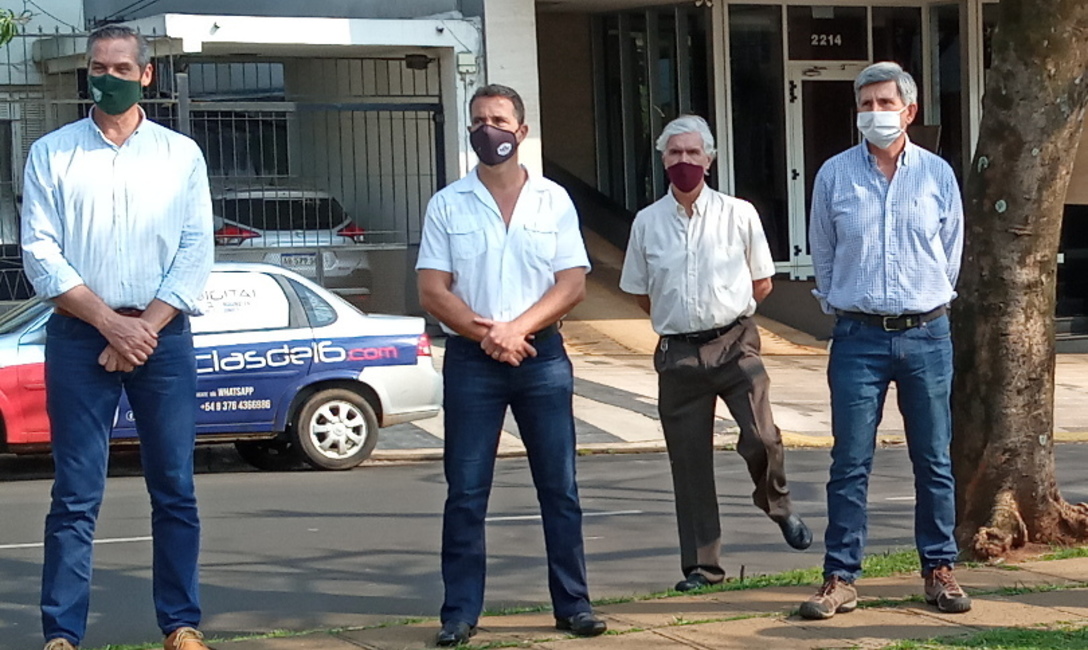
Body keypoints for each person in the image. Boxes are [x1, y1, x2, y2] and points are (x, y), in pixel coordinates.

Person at [21, 25, 214, 650]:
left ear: (146, 75)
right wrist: (109, 323)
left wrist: (142, 329)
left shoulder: (180, 156)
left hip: (163, 338)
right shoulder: (52, 154)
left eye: (123, 68)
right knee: (76, 494)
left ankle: (180, 625)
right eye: (99, 67)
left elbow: (195, 250)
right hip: (81, 336)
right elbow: (40, 253)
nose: (109, 78)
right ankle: (62, 634)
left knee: (175, 487)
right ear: (87, 70)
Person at [416, 84, 606, 647]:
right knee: (466, 491)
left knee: (559, 487)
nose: (488, 129)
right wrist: (490, 334)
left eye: (499, 120)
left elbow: (572, 284)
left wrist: (517, 329)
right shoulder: (448, 203)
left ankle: (573, 604)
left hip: (541, 357)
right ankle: (459, 613)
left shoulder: (553, 201)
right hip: (472, 362)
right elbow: (432, 290)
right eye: (479, 120)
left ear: (521, 132)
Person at [800, 61, 969, 620]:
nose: (874, 113)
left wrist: (925, 299)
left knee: (934, 458)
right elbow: (823, 253)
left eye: (884, 103)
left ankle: (939, 569)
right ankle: (840, 576)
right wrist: (845, 302)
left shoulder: (938, 175)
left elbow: (950, 253)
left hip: (927, 334)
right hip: (858, 336)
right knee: (849, 461)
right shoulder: (834, 175)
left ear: (909, 111)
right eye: (866, 104)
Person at [619, 115, 812, 593]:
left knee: (762, 436)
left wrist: (726, 314)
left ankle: (777, 504)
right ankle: (702, 568)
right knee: (689, 466)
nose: (683, 161)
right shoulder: (646, 223)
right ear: (663, 159)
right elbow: (641, 293)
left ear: (709, 159)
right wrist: (680, 319)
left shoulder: (739, 214)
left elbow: (762, 282)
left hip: (735, 343)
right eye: (674, 153)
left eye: (692, 152)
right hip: (678, 355)